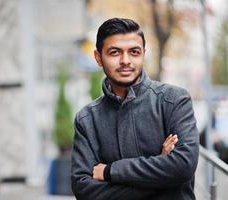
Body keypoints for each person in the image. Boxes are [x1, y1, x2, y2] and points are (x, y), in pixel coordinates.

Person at [71, 18, 199, 200]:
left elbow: (183, 166)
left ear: (143, 54)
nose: (125, 60)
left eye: (134, 52)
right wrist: (162, 177)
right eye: (114, 52)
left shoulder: (174, 100)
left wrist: (109, 171)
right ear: (98, 57)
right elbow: (84, 190)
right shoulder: (87, 119)